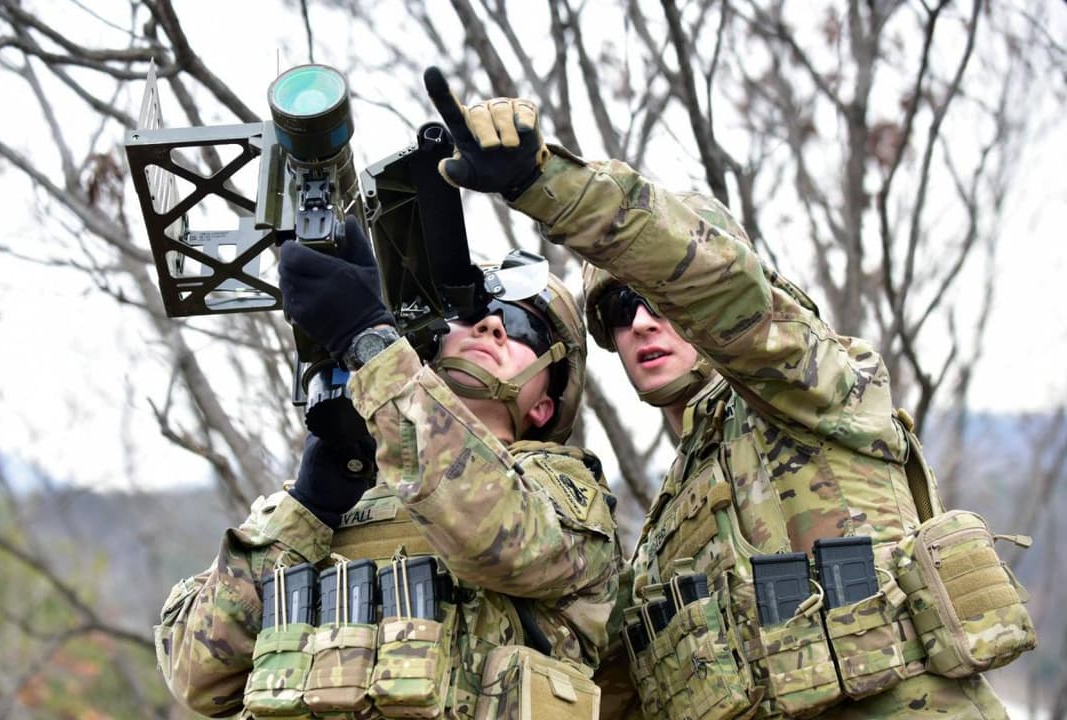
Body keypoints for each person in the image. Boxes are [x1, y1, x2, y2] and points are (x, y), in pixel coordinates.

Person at [421, 67, 1031, 718]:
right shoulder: (654, 552)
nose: (642, 323)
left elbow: (719, 287)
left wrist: (544, 184)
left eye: (658, 297)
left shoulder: (813, 387)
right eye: (621, 308)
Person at [153, 216, 623, 719]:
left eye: (522, 324)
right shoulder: (319, 507)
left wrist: (371, 343)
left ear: (545, 406)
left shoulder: (566, 492)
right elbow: (197, 675)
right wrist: (308, 509)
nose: (489, 325)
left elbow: (502, 538)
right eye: (468, 312)